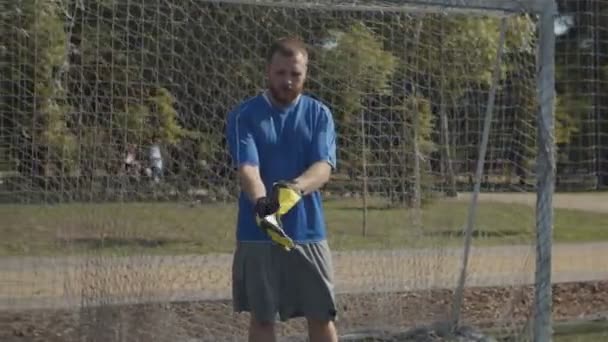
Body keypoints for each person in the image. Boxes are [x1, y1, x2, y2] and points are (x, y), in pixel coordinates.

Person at [225, 37, 339, 342]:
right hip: (257, 235)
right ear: (268, 71)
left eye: (295, 74)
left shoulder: (319, 114)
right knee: (263, 320)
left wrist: (294, 189)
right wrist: (263, 204)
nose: (287, 81)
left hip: (308, 232)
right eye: (280, 73)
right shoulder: (243, 115)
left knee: (322, 316)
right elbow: (248, 168)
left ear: (306, 74)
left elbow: (323, 167)